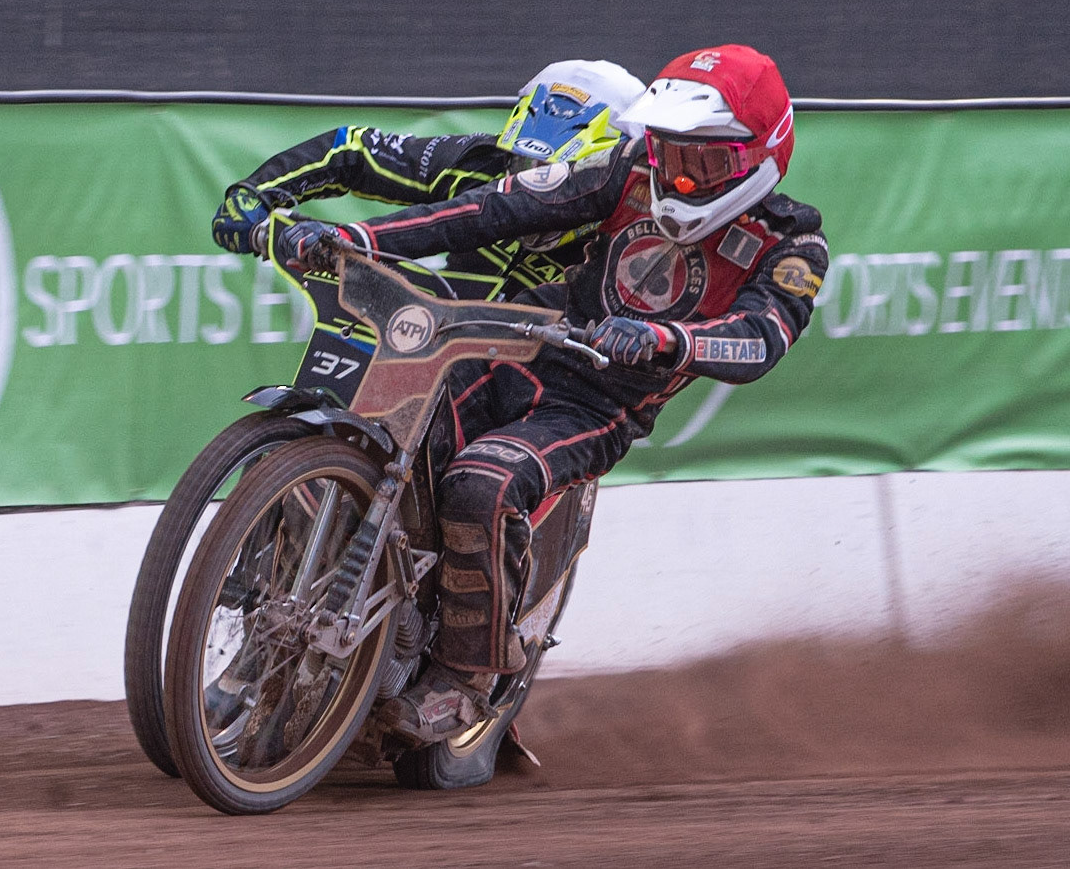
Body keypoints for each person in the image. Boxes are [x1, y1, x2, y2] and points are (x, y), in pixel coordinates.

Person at [274, 44, 830, 746]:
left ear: (761, 157)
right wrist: (354, 237)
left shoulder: (792, 244)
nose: (679, 176)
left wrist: (665, 340)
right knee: (373, 417)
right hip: (518, 344)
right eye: (669, 152)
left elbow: (759, 339)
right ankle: (303, 604)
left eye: (704, 162)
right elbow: (495, 206)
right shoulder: (626, 168)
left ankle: (465, 679)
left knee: (482, 482)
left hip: (599, 403)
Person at [212, 59, 647, 300]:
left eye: (556, 176)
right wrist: (258, 193)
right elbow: (354, 150)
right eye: (522, 165)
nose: (534, 186)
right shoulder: (479, 162)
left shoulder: (635, 229)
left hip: (545, 392)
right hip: (425, 352)